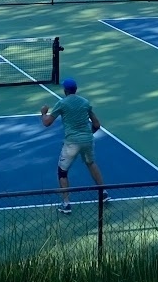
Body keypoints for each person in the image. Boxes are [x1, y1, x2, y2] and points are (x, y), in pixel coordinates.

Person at [41, 77, 108, 214]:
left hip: (72, 143)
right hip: (88, 140)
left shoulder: (62, 103)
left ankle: (66, 204)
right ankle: (104, 193)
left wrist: (43, 113)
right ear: (76, 89)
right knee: (91, 163)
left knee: (62, 171)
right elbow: (96, 125)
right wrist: (87, 135)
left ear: (65, 90)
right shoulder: (85, 102)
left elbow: (47, 123)